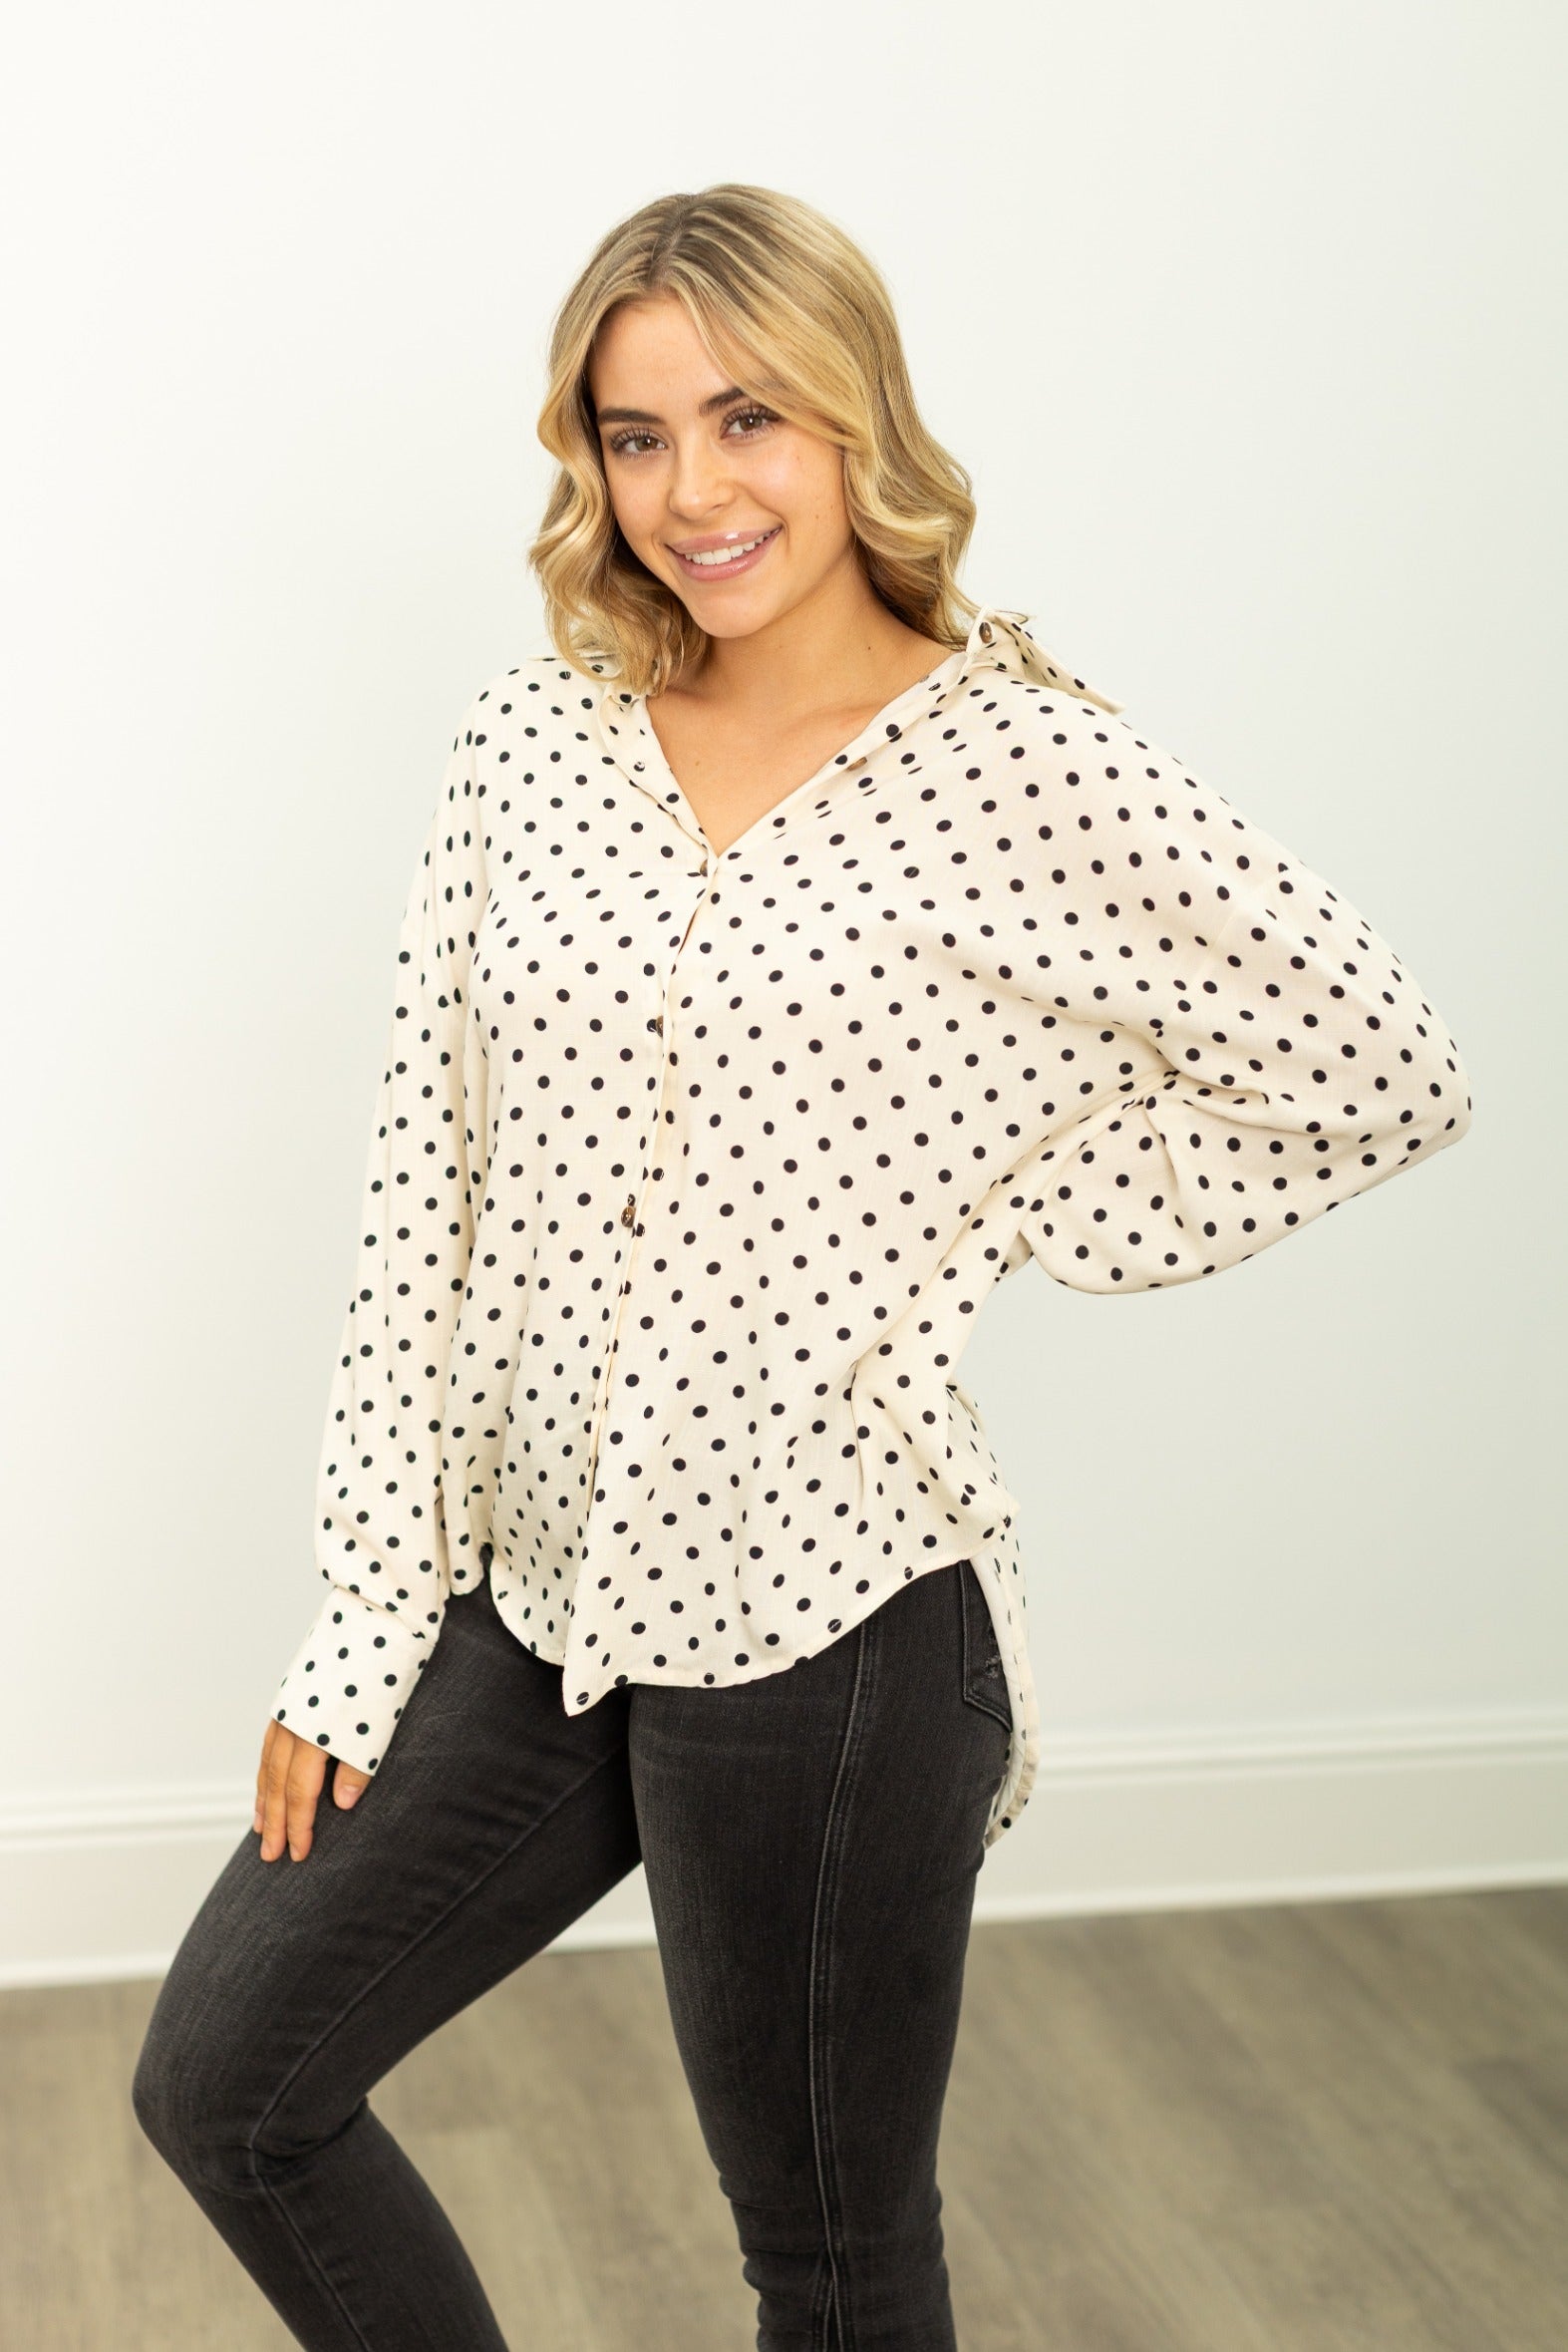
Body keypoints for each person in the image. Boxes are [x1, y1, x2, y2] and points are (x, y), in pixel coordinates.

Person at [131, 183, 1472, 2351]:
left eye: (745, 416)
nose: (691, 490)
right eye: (635, 433)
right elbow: (420, 1193)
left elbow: (1375, 1065)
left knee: (829, 2256)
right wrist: (366, 1617)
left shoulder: (1022, 761)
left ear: (857, 415)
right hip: (535, 1590)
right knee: (228, 2086)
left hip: (830, 1616)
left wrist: (1014, 1201)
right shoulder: (529, 744)